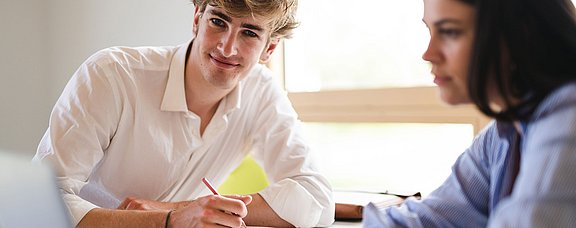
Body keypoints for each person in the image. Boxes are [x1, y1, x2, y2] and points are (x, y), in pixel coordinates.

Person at [33, 0, 335, 227]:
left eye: (249, 33)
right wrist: (170, 220)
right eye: (218, 21)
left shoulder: (262, 92)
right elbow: (39, 203)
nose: (227, 47)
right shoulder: (112, 74)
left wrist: (182, 209)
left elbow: (317, 198)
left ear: (269, 48)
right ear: (197, 19)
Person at [364, 0, 576, 227]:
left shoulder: (568, 121)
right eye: (430, 30)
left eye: (449, 31)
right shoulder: (502, 134)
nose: (428, 54)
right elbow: (425, 221)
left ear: (522, 32)